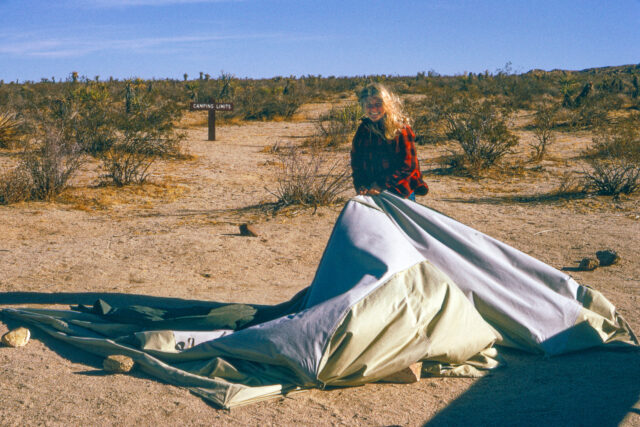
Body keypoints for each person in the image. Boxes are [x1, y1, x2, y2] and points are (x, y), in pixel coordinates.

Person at [350, 83, 428, 201]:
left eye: (378, 104)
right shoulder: (363, 130)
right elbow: (357, 163)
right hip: (372, 190)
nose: (373, 109)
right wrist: (361, 185)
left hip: (399, 190)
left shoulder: (400, 129)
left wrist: (381, 184)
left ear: (387, 104)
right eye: (368, 105)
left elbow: (408, 166)